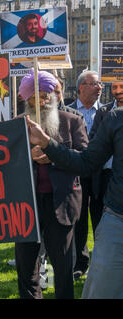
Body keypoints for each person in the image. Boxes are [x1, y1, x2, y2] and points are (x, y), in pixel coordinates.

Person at [25, 103, 123, 299]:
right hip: (117, 221)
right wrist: (46, 143)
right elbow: (85, 162)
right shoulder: (116, 119)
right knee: (101, 292)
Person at [15, 70, 88, 299]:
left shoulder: (72, 121)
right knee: (27, 267)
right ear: (26, 100)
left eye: (45, 95)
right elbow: (3, 160)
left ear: (54, 95)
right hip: (27, 205)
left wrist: (52, 154)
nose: (42, 101)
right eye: (34, 97)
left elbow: (84, 160)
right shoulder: (16, 126)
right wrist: (29, 154)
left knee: (63, 266)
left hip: (62, 205)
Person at [67, 70, 103, 280]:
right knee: (78, 220)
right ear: (81, 87)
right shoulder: (68, 111)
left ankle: (101, 262)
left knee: (100, 219)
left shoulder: (107, 112)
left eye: (99, 84)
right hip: (77, 175)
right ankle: (80, 263)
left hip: (101, 176)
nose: (99, 88)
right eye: (94, 84)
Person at [88, 81, 123, 235]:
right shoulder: (104, 112)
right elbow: (94, 140)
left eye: (121, 86)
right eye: (114, 87)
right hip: (104, 175)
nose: (118, 91)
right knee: (99, 214)